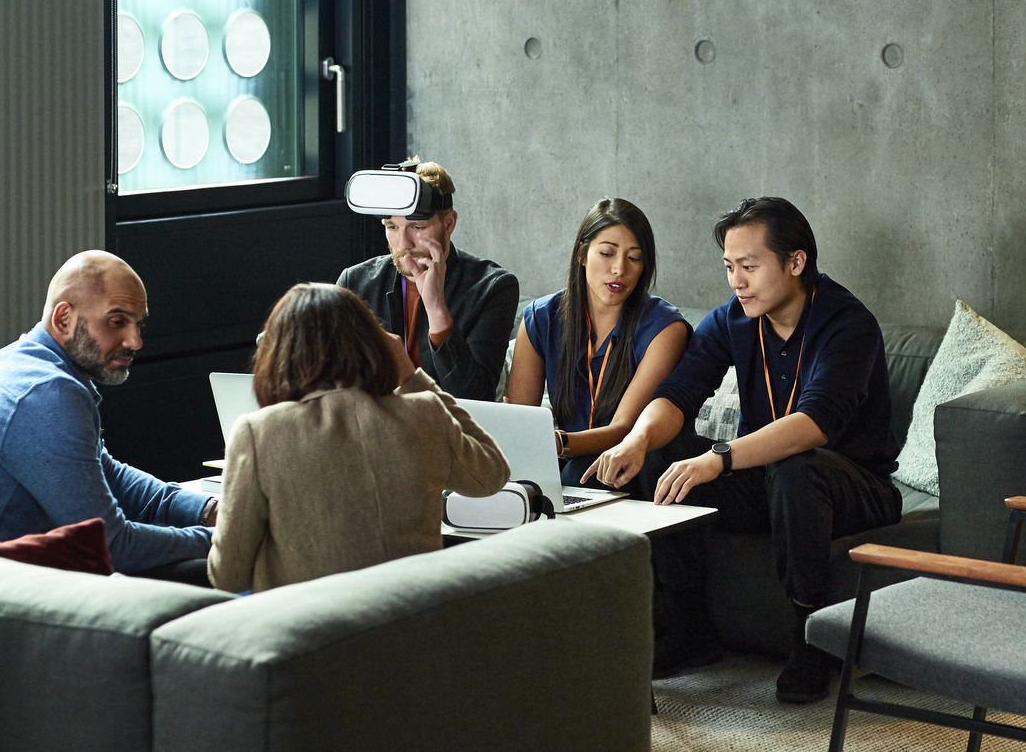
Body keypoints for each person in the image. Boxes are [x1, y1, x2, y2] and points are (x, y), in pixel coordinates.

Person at [590, 197, 902, 703]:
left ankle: (810, 639)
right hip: (769, 481)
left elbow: (815, 424)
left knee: (795, 466)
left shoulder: (848, 324)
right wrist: (638, 438)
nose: (736, 280)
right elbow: (678, 393)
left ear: (795, 262)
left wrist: (720, 456)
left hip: (854, 487)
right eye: (730, 267)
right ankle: (689, 627)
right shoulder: (732, 321)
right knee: (659, 455)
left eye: (749, 266)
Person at [0, 251, 215, 575]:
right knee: (218, 569)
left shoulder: (22, 360)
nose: (135, 340)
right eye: (117, 321)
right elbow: (110, 547)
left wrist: (208, 511)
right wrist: (220, 539)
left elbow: (106, 473)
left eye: (138, 323)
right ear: (63, 319)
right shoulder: (47, 392)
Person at [205, 283, 511, 592]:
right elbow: (491, 475)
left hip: (314, 631)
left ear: (278, 354)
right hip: (415, 623)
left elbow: (228, 577)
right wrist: (411, 375)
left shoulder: (258, 432)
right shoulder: (425, 414)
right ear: (374, 342)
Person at [504, 198, 691, 494]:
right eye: (607, 253)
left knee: (579, 473)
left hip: (638, 464)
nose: (619, 269)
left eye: (634, 258)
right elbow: (519, 422)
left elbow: (625, 429)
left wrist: (559, 443)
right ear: (582, 254)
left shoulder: (665, 328)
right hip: (568, 461)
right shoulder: (541, 318)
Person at [337, 160, 519, 402]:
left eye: (417, 226)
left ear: (449, 223)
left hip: (448, 430)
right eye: (392, 226)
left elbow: (475, 399)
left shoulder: (492, 288)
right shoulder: (356, 282)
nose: (404, 244)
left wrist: (436, 309)